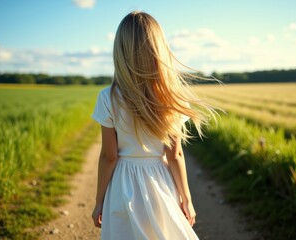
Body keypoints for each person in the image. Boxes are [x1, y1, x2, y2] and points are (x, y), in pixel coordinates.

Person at [91, 11, 216, 240]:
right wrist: (186, 198)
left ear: (120, 51)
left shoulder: (107, 97)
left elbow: (109, 156)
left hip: (123, 184)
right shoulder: (171, 97)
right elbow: (175, 153)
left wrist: (99, 201)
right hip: (160, 179)